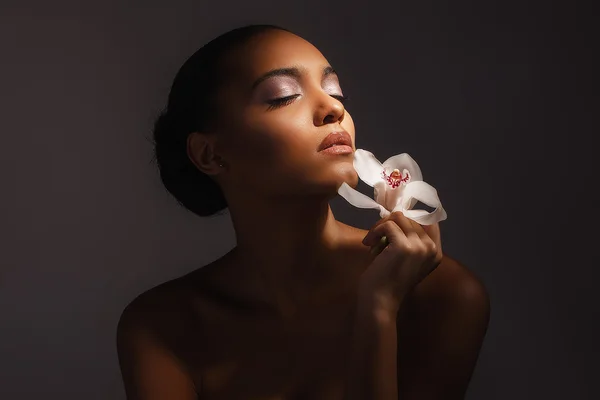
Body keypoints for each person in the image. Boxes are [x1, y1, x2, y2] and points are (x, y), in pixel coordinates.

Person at [116, 24, 490, 400]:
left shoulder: (444, 296)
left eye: (334, 90)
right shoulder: (163, 326)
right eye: (283, 96)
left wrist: (379, 310)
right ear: (209, 155)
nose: (334, 108)